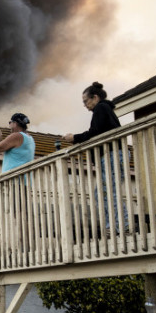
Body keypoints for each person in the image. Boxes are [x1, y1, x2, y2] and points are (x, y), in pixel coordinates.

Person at [61, 82, 128, 235]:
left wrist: (74, 138)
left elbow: (95, 132)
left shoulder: (101, 108)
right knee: (102, 192)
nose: (85, 105)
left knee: (109, 191)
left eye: (86, 101)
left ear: (95, 97)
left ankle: (122, 226)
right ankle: (114, 225)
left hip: (111, 155)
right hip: (111, 155)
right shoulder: (105, 109)